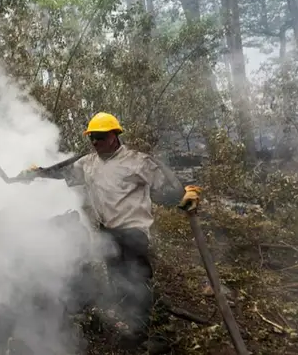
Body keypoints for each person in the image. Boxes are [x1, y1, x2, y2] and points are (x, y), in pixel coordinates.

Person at [18, 112, 202, 350]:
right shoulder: (88, 163)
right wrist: (39, 172)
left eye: (100, 137)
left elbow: (166, 182)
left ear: (115, 135)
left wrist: (186, 191)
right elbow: (63, 173)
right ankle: (129, 322)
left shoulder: (137, 161)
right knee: (117, 277)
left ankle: (147, 330)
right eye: (92, 137)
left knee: (137, 277)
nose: (95, 142)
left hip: (133, 230)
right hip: (108, 230)